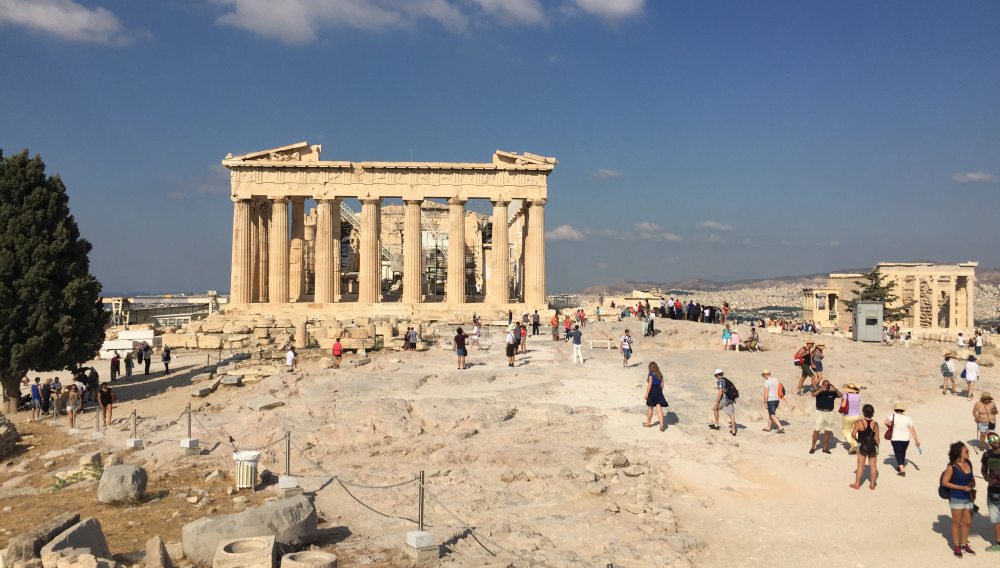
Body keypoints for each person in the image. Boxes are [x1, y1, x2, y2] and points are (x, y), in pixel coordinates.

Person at [942, 442, 976, 557]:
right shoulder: (952, 467)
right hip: (956, 497)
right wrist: (961, 487)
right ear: (959, 453)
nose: (968, 453)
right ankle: (957, 546)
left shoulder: (969, 463)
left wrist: (971, 485)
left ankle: (964, 544)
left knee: (968, 522)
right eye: (966, 451)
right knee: (956, 522)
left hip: (968, 497)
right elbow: (945, 482)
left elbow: (971, 478)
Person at [849, 404, 880, 490]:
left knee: (860, 466)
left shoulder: (859, 422)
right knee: (873, 466)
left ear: (863, 412)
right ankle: (872, 485)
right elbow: (877, 438)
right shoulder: (875, 424)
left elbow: (853, 434)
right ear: (872, 413)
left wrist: (858, 441)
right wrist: (877, 447)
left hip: (862, 445)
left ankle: (857, 484)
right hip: (872, 446)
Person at [885, 402, 920, 476]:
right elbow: (912, 430)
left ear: (895, 410)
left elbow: (886, 422)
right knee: (903, 452)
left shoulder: (893, 416)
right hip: (906, 439)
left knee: (898, 453)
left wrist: (890, 427)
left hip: (896, 438)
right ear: (903, 410)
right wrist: (916, 440)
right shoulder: (908, 418)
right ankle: (901, 466)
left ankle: (902, 471)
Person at [979, 432, 1000, 552]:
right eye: (990, 440)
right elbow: (983, 469)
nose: (993, 441)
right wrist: (986, 477)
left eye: (995, 438)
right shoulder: (987, 455)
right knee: (996, 518)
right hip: (993, 490)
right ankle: (998, 543)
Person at [810, 380, 840, 454]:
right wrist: (821, 389)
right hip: (819, 412)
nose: (827, 386)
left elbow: (841, 396)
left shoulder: (832, 392)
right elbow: (813, 395)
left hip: (829, 413)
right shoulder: (819, 390)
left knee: (827, 431)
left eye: (828, 385)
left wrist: (835, 389)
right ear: (822, 384)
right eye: (825, 385)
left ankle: (825, 448)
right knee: (816, 430)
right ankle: (813, 447)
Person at [711, 368, 737, 436]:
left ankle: (716, 425)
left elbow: (720, 392)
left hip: (725, 399)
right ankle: (733, 431)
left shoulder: (720, 381)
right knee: (731, 414)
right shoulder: (726, 380)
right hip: (731, 398)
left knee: (715, 409)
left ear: (717, 375)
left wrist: (717, 402)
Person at [643, 362, 669, 431]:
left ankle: (648, 423)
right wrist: (660, 391)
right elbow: (662, 384)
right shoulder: (660, 375)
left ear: (650, 368)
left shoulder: (651, 374)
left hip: (652, 391)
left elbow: (649, 385)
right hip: (659, 391)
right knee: (659, 408)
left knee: (650, 408)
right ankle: (661, 425)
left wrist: (646, 394)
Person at [841, 383, 862, 454]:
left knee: (846, 430)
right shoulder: (858, 396)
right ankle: (856, 445)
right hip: (857, 415)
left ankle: (852, 445)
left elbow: (843, 405)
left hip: (848, 415)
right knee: (854, 431)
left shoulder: (846, 395)